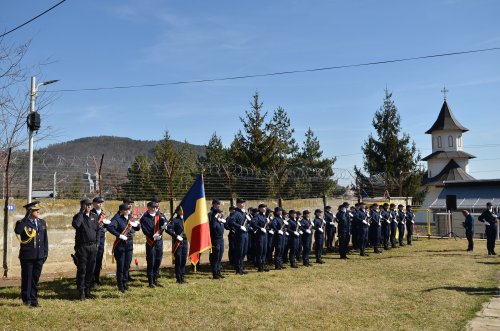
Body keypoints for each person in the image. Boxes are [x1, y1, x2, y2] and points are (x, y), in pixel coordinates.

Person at [14, 201, 48, 307]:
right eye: (35, 210)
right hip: (27, 256)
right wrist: (25, 218)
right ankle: (26, 300)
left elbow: (45, 239)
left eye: (38, 210)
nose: (38, 211)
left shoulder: (42, 222)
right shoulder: (22, 223)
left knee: (35, 279)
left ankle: (34, 300)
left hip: (39, 256)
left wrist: (45, 254)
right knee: (27, 278)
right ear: (29, 211)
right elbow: (18, 231)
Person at [107, 203, 140, 292]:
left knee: (126, 265)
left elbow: (137, 228)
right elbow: (110, 227)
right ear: (121, 211)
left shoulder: (130, 218)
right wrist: (119, 235)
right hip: (120, 245)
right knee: (121, 266)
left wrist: (136, 224)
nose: (127, 211)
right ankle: (120, 284)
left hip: (129, 244)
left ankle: (125, 283)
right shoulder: (117, 219)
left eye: (128, 210)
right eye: (125, 210)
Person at [72, 198, 99, 300]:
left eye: (90, 205)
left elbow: (97, 230)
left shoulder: (94, 216)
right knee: (82, 270)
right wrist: (81, 212)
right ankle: (81, 291)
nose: (89, 206)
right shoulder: (78, 217)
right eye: (86, 205)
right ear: (82, 206)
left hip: (92, 247)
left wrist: (96, 243)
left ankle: (88, 290)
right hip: (82, 247)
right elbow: (76, 225)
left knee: (90, 270)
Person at [140, 200, 167, 288]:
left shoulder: (159, 215)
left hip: (159, 242)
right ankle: (150, 282)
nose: (155, 209)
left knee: (158, 261)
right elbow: (145, 230)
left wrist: (164, 225)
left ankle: (156, 279)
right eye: (153, 207)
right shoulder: (144, 218)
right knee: (151, 262)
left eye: (156, 207)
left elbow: (164, 225)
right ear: (148, 208)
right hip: (150, 242)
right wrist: (153, 235)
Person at [166, 206, 189, 283]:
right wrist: (176, 236)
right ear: (178, 211)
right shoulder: (175, 220)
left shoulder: (187, 219)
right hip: (178, 242)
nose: (183, 211)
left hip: (185, 241)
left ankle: (182, 276)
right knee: (178, 260)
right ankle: (178, 277)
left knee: (183, 259)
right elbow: (168, 229)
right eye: (181, 210)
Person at [91, 196, 108, 286]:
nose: (100, 204)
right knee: (92, 260)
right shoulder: (91, 213)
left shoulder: (103, 213)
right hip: (93, 239)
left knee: (99, 259)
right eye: (98, 203)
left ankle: (97, 278)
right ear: (93, 204)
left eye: (101, 203)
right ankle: (91, 279)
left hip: (101, 239)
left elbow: (104, 226)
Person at [209, 207, 226, 279]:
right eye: (219, 213)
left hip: (221, 240)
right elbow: (212, 227)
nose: (220, 214)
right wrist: (215, 219)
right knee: (215, 258)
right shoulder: (213, 222)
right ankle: (215, 273)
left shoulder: (219, 221)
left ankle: (218, 272)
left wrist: (220, 220)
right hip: (215, 240)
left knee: (219, 257)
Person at [252, 204, 270, 272]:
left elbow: (267, 226)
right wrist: (260, 228)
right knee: (260, 251)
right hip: (259, 235)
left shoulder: (265, 216)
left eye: (265, 207)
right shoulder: (257, 216)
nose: (264, 208)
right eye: (263, 207)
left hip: (265, 235)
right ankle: (260, 267)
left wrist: (268, 223)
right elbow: (253, 224)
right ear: (259, 209)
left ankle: (263, 265)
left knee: (264, 251)